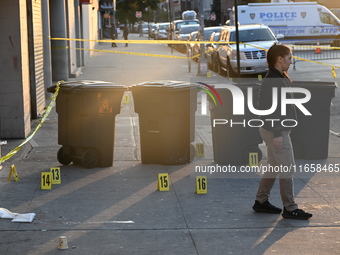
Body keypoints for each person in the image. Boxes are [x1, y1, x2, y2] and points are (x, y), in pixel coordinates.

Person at [252, 43, 313, 220]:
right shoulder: (274, 80)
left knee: (273, 166)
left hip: (274, 129)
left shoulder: (277, 77)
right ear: (280, 59)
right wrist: (278, 133)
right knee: (288, 167)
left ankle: (261, 201)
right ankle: (290, 207)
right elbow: (270, 108)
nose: (290, 61)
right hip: (274, 131)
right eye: (289, 58)